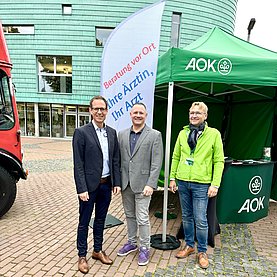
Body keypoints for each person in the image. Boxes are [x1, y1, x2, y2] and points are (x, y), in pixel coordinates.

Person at [169, 102, 224, 269]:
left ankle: (202, 251)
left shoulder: (213, 134)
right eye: (191, 112)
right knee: (186, 217)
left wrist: (215, 184)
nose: (193, 115)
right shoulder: (183, 133)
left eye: (198, 113)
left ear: (205, 116)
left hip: (202, 183)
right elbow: (176, 157)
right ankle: (189, 246)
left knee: (200, 219)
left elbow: (219, 160)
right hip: (183, 181)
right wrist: (172, 178)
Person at [72, 95, 121, 274]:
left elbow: (115, 159)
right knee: (84, 222)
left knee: (101, 220)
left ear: (107, 111)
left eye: (103, 109)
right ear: (90, 111)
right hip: (89, 188)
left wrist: (116, 182)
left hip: (106, 185)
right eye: (96, 109)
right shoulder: (81, 132)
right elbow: (78, 163)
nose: (100, 112)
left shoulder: (112, 132)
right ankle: (82, 255)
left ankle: (97, 250)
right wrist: (81, 188)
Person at [117, 103, 163, 266]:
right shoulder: (121, 134)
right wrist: (117, 182)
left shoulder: (154, 135)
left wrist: (151, 184)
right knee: (129, 215)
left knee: (142, 217)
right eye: (135, 112)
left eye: (141, 113)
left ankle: (144, 248)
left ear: (146, 115)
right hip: (126, 184)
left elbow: (157, 163)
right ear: (130, 114)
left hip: (144, 185)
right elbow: (119, 160)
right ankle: (131, 242)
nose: (138, 115)